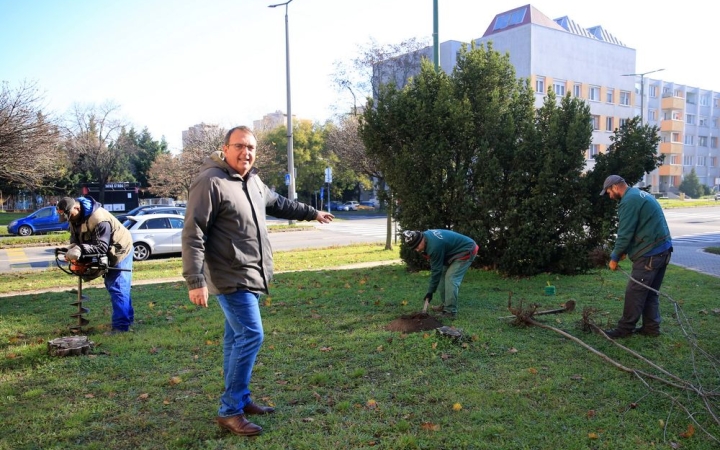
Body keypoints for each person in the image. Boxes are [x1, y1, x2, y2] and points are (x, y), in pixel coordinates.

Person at [182, 125, 334, 437]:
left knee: (235, 339)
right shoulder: (211, 181)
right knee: (252, 335)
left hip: (250, 273)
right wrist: (194, 279)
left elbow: (280, 203)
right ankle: (229, 410)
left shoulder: (252, 181)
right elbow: (193, 231)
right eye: (239, 146)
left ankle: (241, 399)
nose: (245, 153)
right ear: (225, 148)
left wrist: (312, 213)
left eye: (250, 147)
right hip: (229, 275)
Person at [600, 175, 673, 338]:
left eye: (609, 192)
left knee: (635, 292)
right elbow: (642, 226)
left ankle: (625, 329)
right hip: (663, 250)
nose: (610, 196)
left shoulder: (629, 201)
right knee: (650, 292)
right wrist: (627, 250)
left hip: (650, 255)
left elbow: (624, 233)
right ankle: (651, 328)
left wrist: (615, 257)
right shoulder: (639, 194)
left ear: (615, 187)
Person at [56, 196, 134, 333]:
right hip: (106, 250)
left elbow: (101, 247)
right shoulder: (74, 218)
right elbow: (75, 238)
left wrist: (80, 249)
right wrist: (70, 249)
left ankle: (121, 328)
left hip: (120, 249)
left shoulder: (99, 218)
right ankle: (127, 318)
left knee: (118, 287)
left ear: (77, 207)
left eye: (69, 215)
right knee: (112, 286)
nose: (68, 219)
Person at [402, 229, 479, 318]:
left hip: (466, 250)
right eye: (414, 248)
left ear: (421, 239)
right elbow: (438, 271)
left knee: (451, 278)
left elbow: (436, 271)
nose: (417, 250)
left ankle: (450, 312)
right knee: (442, 275)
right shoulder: (426, 238)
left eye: (417, 246)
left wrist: (430, 292)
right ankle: (445, 304)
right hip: (452, 253)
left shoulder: (434, 246)